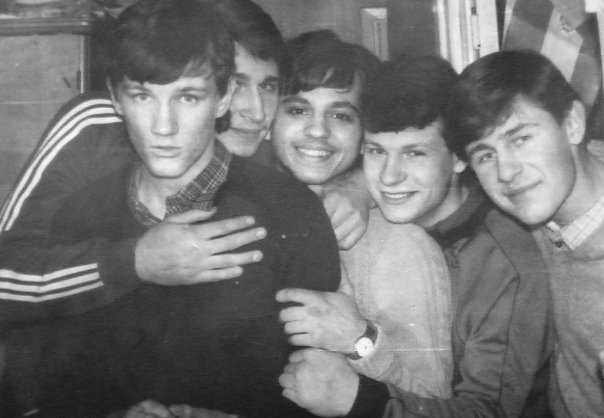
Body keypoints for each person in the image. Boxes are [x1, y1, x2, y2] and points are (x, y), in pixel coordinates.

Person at [2, 1, 339, 416]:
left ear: (221, 99)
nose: (164, 126)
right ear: (115, 98)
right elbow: (54, 379)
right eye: (143, 96)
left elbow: (321, 385)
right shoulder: (81, 208)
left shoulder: (291, 210)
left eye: (189, 97)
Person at [278, 54, 552, 417]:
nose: (389, 177)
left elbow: (490, 413)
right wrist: (355, 187)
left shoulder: (504, 264)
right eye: (376, 151)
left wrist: (360, 367)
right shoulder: (362, 215)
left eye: (414, 153)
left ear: (459, 158)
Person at [272, 33, 454, 399]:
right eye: (297, 110)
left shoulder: (398, 247)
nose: (317, 130)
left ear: (363, 134)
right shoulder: (249, 208)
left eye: (340, 115)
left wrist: (361, 343)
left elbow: (432, 396)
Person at [444, 49, 604, 417]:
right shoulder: (533, 207)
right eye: (485, 155)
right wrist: (355, 189)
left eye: (521, 139)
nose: (506, 172)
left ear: (572, 124)